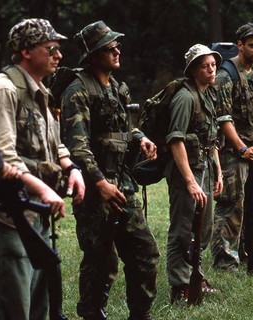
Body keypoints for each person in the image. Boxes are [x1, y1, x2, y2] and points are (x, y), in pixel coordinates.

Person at [0, 18, 85, 320]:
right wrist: (44, 189)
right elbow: (1, 158)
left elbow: (55, 142)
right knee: (13, 308)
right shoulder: (3, 90)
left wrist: (72, 168)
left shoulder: (40, 91)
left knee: (39, 307)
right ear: (26, 51)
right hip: (11, 215)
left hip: (38, 213)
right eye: (51, 48)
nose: (59, 56)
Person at [60, 21, 159, 320]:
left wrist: (140, 137)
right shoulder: (77, 91)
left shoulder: (116, 88)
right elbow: (77, 146)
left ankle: (140, 314)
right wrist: (100, 184)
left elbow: (121, 130)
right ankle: (91, 313)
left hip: (123, 184)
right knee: (100, 259)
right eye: (109, 48)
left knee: (145, 253)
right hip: (95, 189)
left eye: (117, 45)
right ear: (92, 55)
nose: (117, 50)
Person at [210, 22, 253, 271]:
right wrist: (241, 148)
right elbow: (222, 118)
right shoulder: (226, 74)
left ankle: (246, 252)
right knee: (231, 204)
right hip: (232, 151)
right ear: (240, 45)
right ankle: (225, 260)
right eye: (252, 45)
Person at [166, 44, 223, 302]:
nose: (211, 70)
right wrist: (190, 182)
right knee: (183, 230)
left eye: (213, 64)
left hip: (206, 169)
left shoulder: (208, 94)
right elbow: (175, 140)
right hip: (187, 172)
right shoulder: (185, 98)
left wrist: (219, 173)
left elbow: (211, 140)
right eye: (205, 65)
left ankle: (194, 277)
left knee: (204, 228)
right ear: (193, 70)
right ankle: (180, 285)